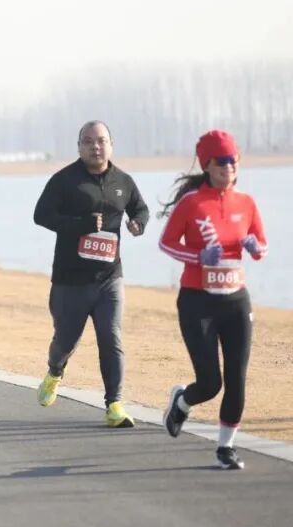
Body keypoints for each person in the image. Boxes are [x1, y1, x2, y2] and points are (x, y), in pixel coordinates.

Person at [158, 130, 267, 470]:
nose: (229, 166)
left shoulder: (246, 203)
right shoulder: (192, 203)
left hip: (236, 301)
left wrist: (254, 247)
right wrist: (199, 256)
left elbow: (263, 246)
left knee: (236, 378)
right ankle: (182, 402)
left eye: (233, 159)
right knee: (210, 383)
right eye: (221, 161)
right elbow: (166, 243)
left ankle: (226, 448)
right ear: (207, 164)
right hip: (197, 301)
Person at [32, 120, 149, 428]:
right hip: (71, 280)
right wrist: (79, 224)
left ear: (111, 145)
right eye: (88, 142)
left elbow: (140, 208)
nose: (95, 147)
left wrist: (138, 224)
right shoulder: (65, 180)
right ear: (79, 146)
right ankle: (55, 371)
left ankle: (114, 405)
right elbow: (40, 215)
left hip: (110, 277)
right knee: (65, 341)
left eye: (101, 141)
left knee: (111, 338)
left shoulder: (123, 181)